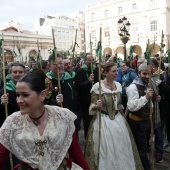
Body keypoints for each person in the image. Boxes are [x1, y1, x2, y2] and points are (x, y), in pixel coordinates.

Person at [0, 71, 90, 170]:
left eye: (25, 95)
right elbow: (1, 155)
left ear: (42, 95)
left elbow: (76, 152)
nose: (19, 100)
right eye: (17, 95)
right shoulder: (12, 122)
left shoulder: (62, 116)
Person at [85, 62, 143, 170]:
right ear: (105, 73)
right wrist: (96, 106)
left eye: (117, 70)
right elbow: (90, 109)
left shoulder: (119, 85)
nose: (117, 73)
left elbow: (119, 105)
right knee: (105, 150)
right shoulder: (97, 87)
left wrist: (123, 116)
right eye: (114, 71)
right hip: (103, 122)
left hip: (118, 121)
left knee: (122, 148)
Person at [126, 63, 161, 170]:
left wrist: (156, 99)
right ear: (138, 73)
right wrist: (145, 97)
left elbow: (152, 100)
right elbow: (131, 106)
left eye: (148, 74)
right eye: (144, 74)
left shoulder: (149, 84)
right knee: (141, 148)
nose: (146, 76)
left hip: (147, 121)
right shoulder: (133, 87)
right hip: (137, 122)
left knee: (146, 146)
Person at [0, 62, 25, 169]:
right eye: (15, 72)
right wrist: (1, 104)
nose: (18, 74)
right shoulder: (4, 91)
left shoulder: (29, 89)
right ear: (10, 73)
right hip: (10, 132)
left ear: (25, 73)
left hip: (25, 130)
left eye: (20, 72)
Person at [46, 54, 80, 135]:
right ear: (49, 66)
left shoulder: (68, 77)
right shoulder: (47, 81)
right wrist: (55, 102)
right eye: (55, 64)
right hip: (56, 120)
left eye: (61, 63)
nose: (59, 66)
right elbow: (44, 102)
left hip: (71, 117)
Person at [75, 53, 98, 138]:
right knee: (87, 122)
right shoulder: (80, 71)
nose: (91, 62)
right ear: (85, 61)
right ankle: (87, 138)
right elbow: (78, 85)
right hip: (85, 101)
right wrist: (88, 81)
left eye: (93, 60)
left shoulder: (96, 69)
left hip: (95, 100)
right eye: (89, 60)